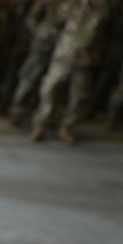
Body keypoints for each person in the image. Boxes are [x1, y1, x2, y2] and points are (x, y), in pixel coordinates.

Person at [29, 0, 112, 144]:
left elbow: (107, 34)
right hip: (63, 56)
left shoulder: (103, 8)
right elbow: (54, 24)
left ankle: (67, 126)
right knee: (49, 88)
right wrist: (63, 43)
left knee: (79, 96)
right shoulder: (70, 5)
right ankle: (42, 122)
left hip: (86, 59)